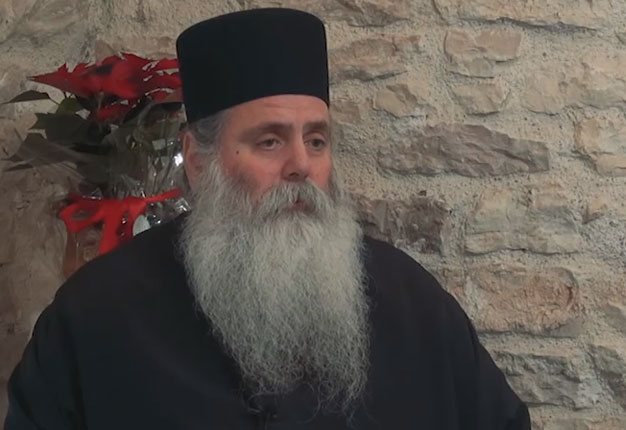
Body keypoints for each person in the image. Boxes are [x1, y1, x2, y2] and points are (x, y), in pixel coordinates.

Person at [4, 8, 531, 430]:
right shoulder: (95, 316)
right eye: (270, 141)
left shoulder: (414, 304)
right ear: (200, 161)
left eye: (317, 141)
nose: (301, 165)